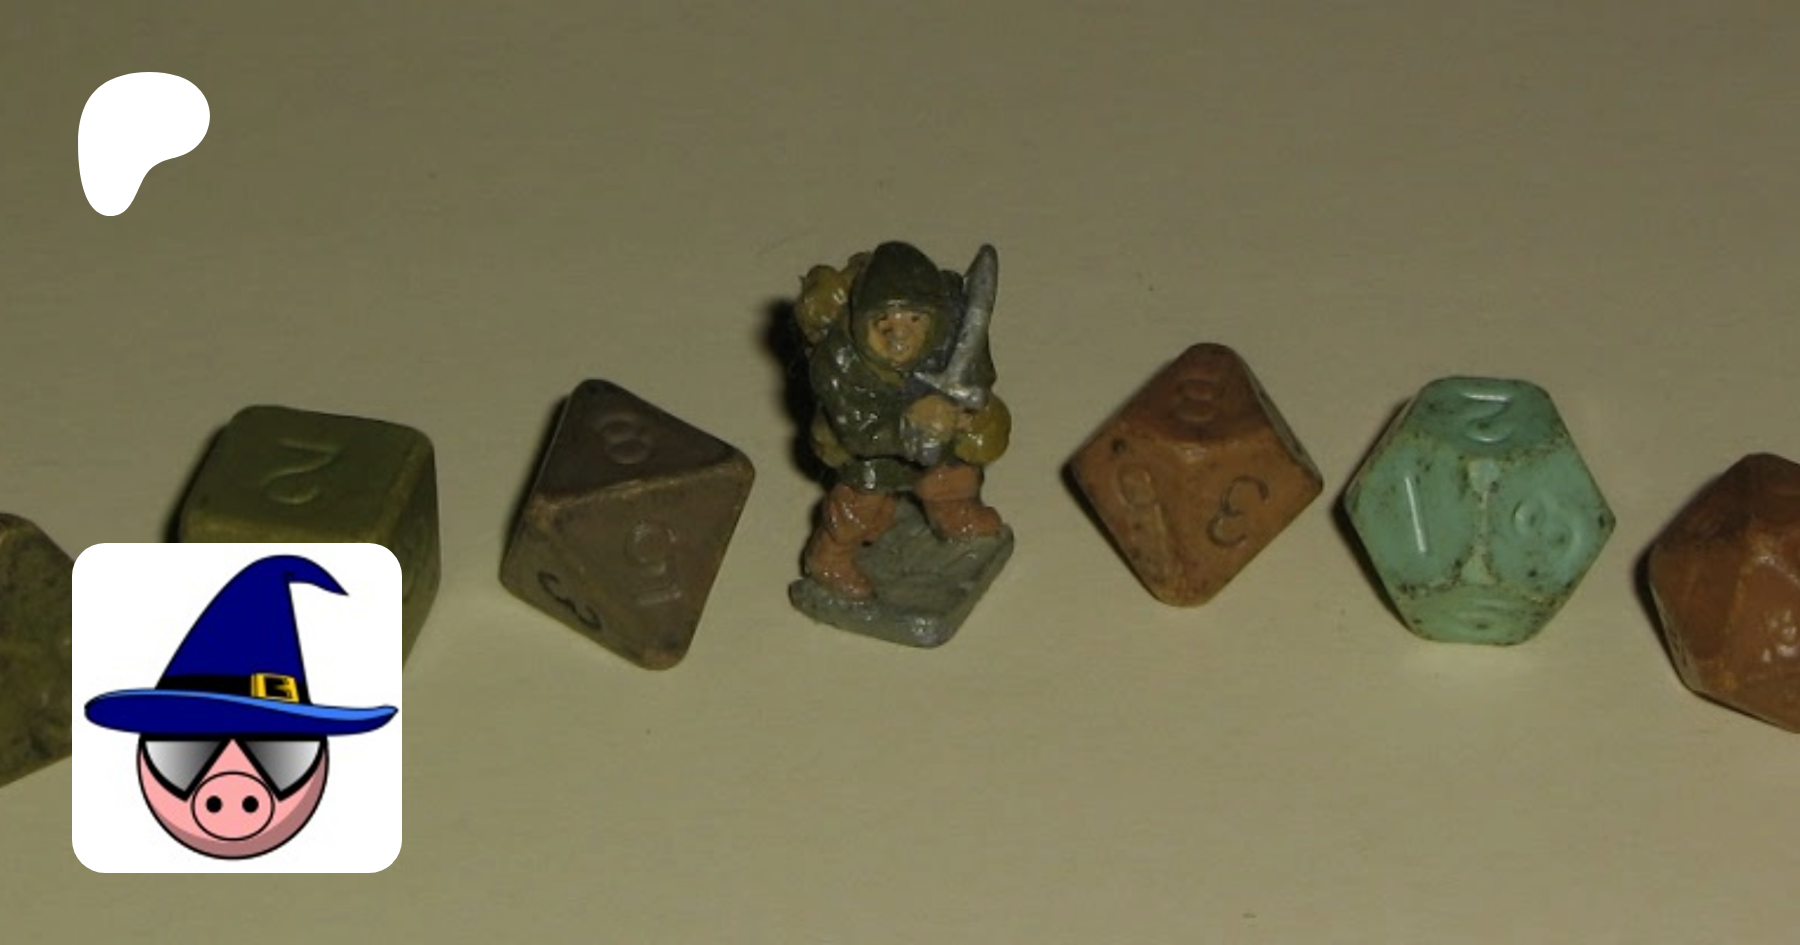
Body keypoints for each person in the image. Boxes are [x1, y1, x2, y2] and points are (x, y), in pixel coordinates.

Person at [796, 241, 1011, 601]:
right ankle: (829, 558)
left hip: (938, 433)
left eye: (913, 320)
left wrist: (964, 414)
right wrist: (912, 422)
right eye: (885, 323)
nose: (900, 335)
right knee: (860, 506)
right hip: (870, 447)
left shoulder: (951, 331)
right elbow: (858, 431)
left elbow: (976, 371)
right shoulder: (840, 360)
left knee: (953, 474)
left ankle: (953, 513)